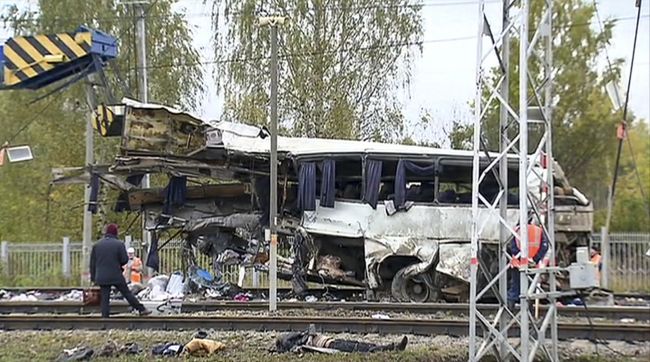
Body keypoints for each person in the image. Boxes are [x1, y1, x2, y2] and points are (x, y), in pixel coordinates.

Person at [90, 223, 151, 318]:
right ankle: (141, 309)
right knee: (127, 293)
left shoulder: (97, 245)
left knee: (105, 298)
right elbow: (124, 260)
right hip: (115, 275)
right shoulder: (119, 244)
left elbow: (92, 264)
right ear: (115, 233)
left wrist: (93, 278)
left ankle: (104, 318)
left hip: (101, 276)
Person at [274, 325, 408, 353]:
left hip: (331, 342)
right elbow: (307, 336)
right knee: (358, 348)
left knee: (358, 345)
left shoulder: (297, 340)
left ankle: (390, 346)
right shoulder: (292, 342)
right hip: (330, 345)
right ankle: (390, 348)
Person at [507, 223, 549, 310]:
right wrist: (535, 259)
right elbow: (544, 247)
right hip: (532, 265)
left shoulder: (517, 230)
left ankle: (510, 309)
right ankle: (528, 309)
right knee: (530, 287)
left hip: (518, 263)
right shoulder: (538, 230)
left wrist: (521, 258)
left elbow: (512, 246)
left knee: (515, 285)